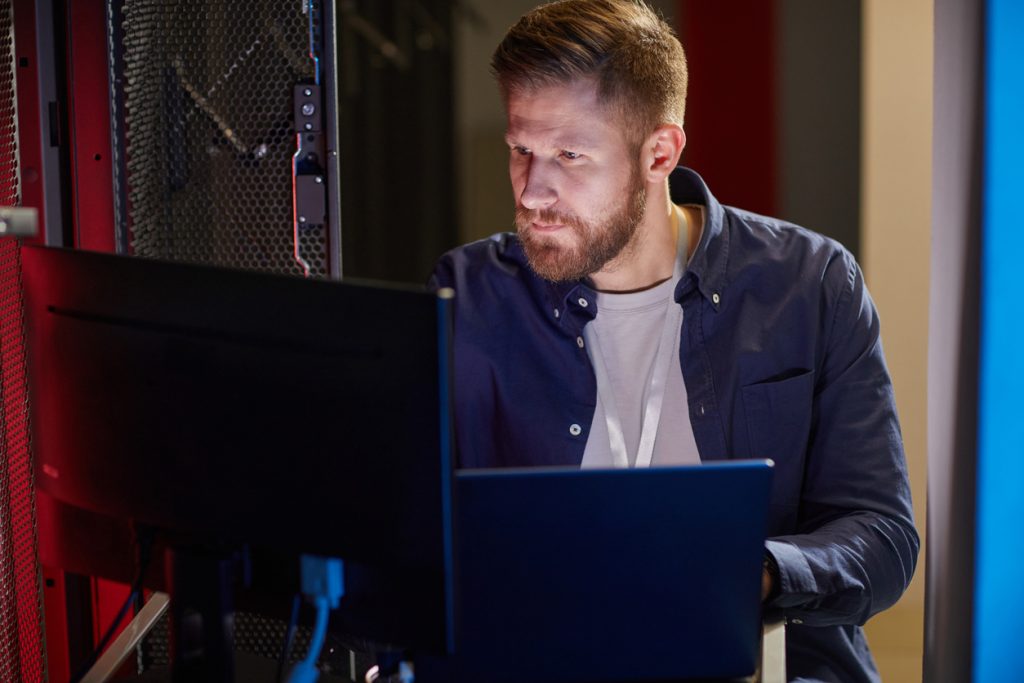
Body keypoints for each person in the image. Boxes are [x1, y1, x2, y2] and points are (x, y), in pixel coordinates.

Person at [429, 1, 919, 680]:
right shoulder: (471, 291)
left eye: (570, 154)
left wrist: (760, 571)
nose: (533, 191)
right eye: (521, 149)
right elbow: (417, 529)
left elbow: (883, 535)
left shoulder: (808, 283)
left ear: (660, 152)